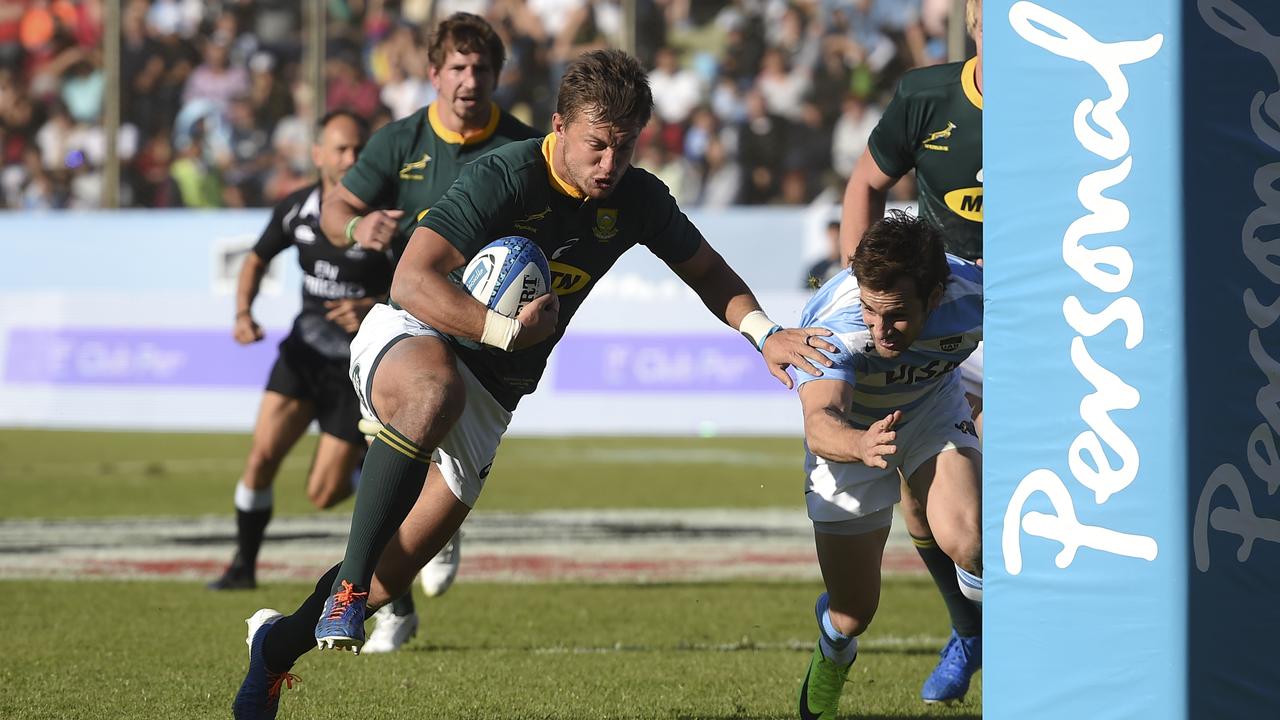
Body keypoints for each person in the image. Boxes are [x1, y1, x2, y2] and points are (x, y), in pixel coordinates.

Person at [232, 49, 836, 720]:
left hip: (495, 391)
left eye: (625, 146)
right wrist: (499, 329)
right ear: (558, 126)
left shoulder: (636, 197)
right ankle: (345, 588)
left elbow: (707, 271)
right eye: (596, 145)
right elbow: (411, 277)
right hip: (414, 336)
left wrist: (763, 331)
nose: (610, 163)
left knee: (386, 582)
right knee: (434, 394)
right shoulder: (506, 175)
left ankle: (276, 649)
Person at [318, 11, 541, 654]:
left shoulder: (524, 150)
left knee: (419, 449)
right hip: (407, 322)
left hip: (484, 335)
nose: (470, 79)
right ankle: (383, 604)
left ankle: (393, 584)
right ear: (434, 73)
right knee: (393, 438)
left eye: (483, 68)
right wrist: (358, 229)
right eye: (458, 67)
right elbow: (337, 206)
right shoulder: (399, 141)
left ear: (498, 75)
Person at [836, 0, 984, 702]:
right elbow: (866, 182)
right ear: (976, 19)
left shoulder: (1073, 102)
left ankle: (1044, 634)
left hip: (1029, 315)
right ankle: (970, 631)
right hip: (934, 311)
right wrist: (855, 285)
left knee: (981, 511)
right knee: (926, 509)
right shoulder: (927, 96)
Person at [795, 210, 983, 718]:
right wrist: (859, 446)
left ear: (936, 297)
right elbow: (820, 422)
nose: (882, 330)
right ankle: (832, 655)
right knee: (853, 612)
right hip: (850, 434)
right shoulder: (836, 326)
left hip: (931, 409)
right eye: (871, 311)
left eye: (897, 315)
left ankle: (992, 645)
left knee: (970, 542)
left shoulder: (976, 291)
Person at [208, 110, 387, 592]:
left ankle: (366, 467)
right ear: (318, 156)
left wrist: (373, 306)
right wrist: (242, 313)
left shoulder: (385, 218)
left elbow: (419, 283)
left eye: (358, 149)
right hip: (303, 354)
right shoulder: (296, 208)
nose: (351, 158)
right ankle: (243, 566)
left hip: (358, 367)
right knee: (261, 457)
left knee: (322, 494)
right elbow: (257, 257)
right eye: (341, 149)